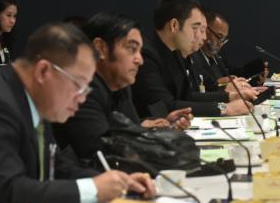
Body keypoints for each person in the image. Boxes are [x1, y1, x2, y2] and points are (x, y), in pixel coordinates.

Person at [0, 22, 155, 203]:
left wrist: (117, 181)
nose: (82, 98)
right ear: (43, 71)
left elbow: (55, 167)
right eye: (78, 85)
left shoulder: (29, 95)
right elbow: (9, 192)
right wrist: (93, 189)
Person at [54, 13, 193, 162]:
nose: (140, 60)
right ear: (100, 48)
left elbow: (130, 135)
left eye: (139, 51)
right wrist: (161, 138)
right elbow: (106, 155)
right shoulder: (83, 91)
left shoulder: (120, 86)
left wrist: (162, 129)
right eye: (131, 49)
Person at [133, 0, 250, 117]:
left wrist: (230, 96)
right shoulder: (145, 54)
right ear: (174, 25)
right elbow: (164, 106)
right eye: (195, 28)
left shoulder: (176, 52)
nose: (203, 37)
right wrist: (224, 108)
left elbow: (188, 96)